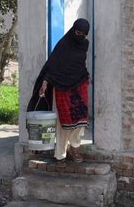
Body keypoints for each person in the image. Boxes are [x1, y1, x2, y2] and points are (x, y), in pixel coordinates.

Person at [27, 18, 90, 166]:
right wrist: (45, 82)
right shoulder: (63, 45)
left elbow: (80, 63)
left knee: (81, 122)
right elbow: (53, 66)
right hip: (62, 87)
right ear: (73, 30)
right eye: (77, 32)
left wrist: (86, 74)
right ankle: (60, 154)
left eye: (83, 34)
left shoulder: (84, 45)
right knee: (64, 123)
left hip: (80, 85)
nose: (79, 35)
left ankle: (75, 148)